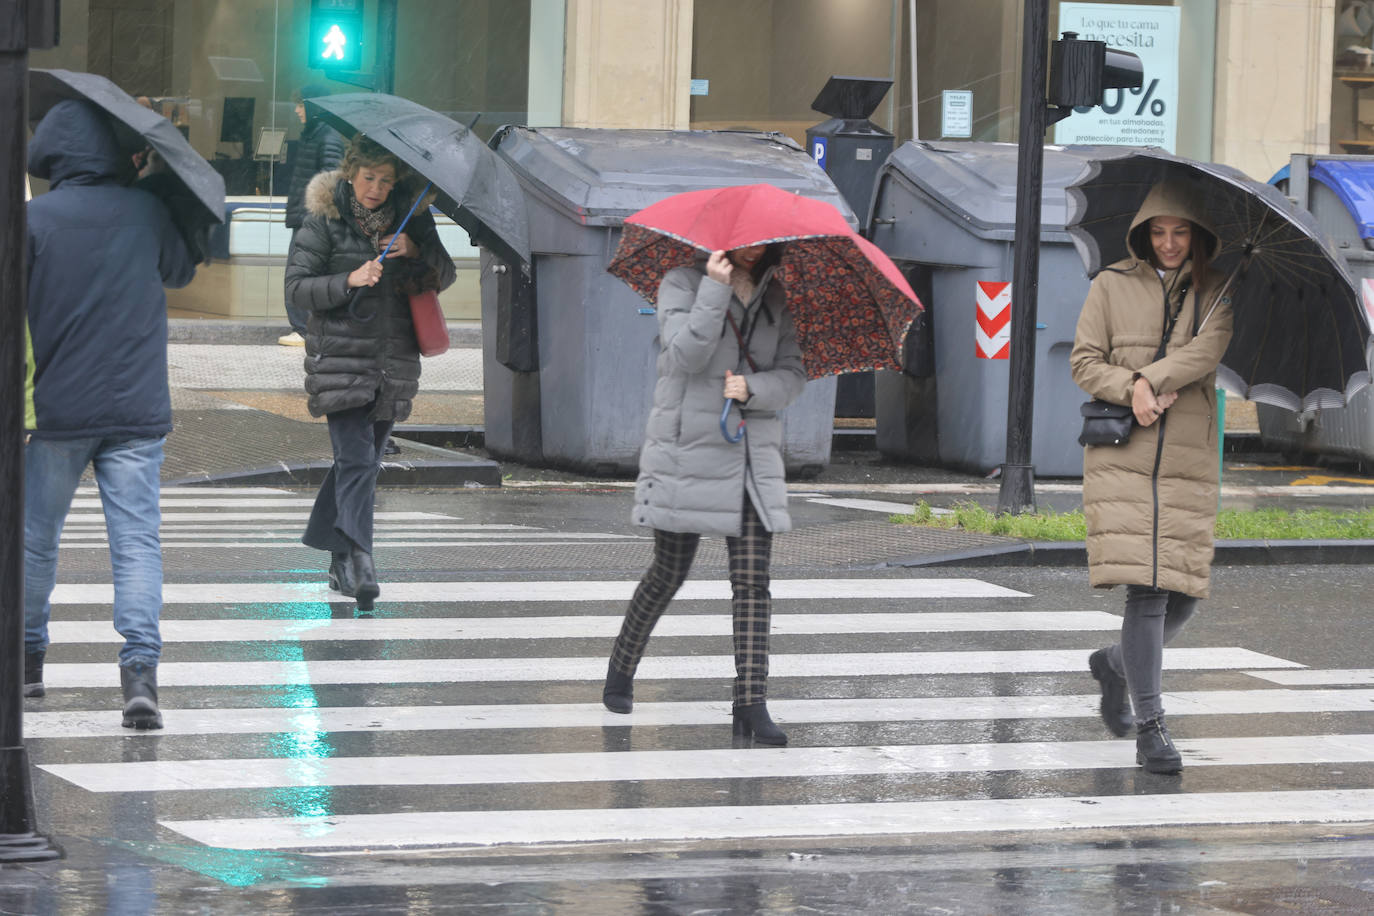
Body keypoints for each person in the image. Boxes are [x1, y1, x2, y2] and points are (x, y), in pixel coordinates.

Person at [23, 100, 196, 728]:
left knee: (37, 541)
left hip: (57, 410)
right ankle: (140, 675)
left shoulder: (34, 219)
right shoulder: (147, 213)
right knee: (135, 543)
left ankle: (27, 663)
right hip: (137, 406)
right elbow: (179, 271)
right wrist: (156, 184)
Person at [602, 244, 807, 746]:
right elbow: (684, 355)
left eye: (764, 238)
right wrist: (714, 289)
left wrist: (752, 388)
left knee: (753, 583)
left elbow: (794, 376)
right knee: (669, 572)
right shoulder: (681, 281)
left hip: (750, 454)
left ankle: (751, 703)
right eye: (746, 237)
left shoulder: (778, 297)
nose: (755, 246)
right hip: (687, 450)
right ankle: (621, 667)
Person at [1070, 179, 1234, 775]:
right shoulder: (1110, 285)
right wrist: (1128, 388)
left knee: (1185, 593)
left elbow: (1206, 352)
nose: (1168, 242)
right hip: (1124, 456)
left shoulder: (1216, 292)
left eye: (1180, 231)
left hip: (1188, 456)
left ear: (1198, 236)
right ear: (1143, 233)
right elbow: (1084, 361)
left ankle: (1114, 664)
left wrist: (1148, 380)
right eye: (1159, 231)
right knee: (1148, 589)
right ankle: (1152, 725)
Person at [285, 135, 455, 610]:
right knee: (358, 461)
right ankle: (361, 558)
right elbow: (297, 288)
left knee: (356, 463)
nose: (376, 188)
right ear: (349, 173)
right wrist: (349, 280)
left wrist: (415, 250)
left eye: (385, 180)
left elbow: (445, 276)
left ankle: (339, 559)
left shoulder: (412, 221)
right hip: (339, 358)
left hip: (394, 360)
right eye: (368, 178)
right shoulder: (323, 220)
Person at [280, 84, 346, 347]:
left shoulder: (327, 138)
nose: (297, 110)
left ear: (313, 106)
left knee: (298, 274)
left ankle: (304, 329)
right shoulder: (314, 135)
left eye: (300, 104)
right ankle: (304, 327)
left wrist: (314, 217)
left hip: (311, 220)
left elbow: (330, 183)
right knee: (300, 272)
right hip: (305, 217)